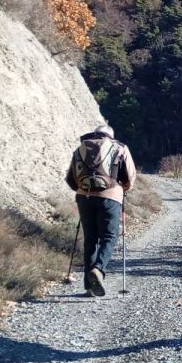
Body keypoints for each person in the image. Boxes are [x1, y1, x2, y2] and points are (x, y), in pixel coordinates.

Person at [65, 124, 136, 297]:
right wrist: (121, 190)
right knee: (109, 237)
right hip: (110, 197)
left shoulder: (81, 148)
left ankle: (89, 287)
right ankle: (98, 269)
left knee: (90, 239)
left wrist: (85, 190)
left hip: (84, 197)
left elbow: (71, 179)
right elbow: (130, 178)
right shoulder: (119, 147)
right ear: (110, 136)